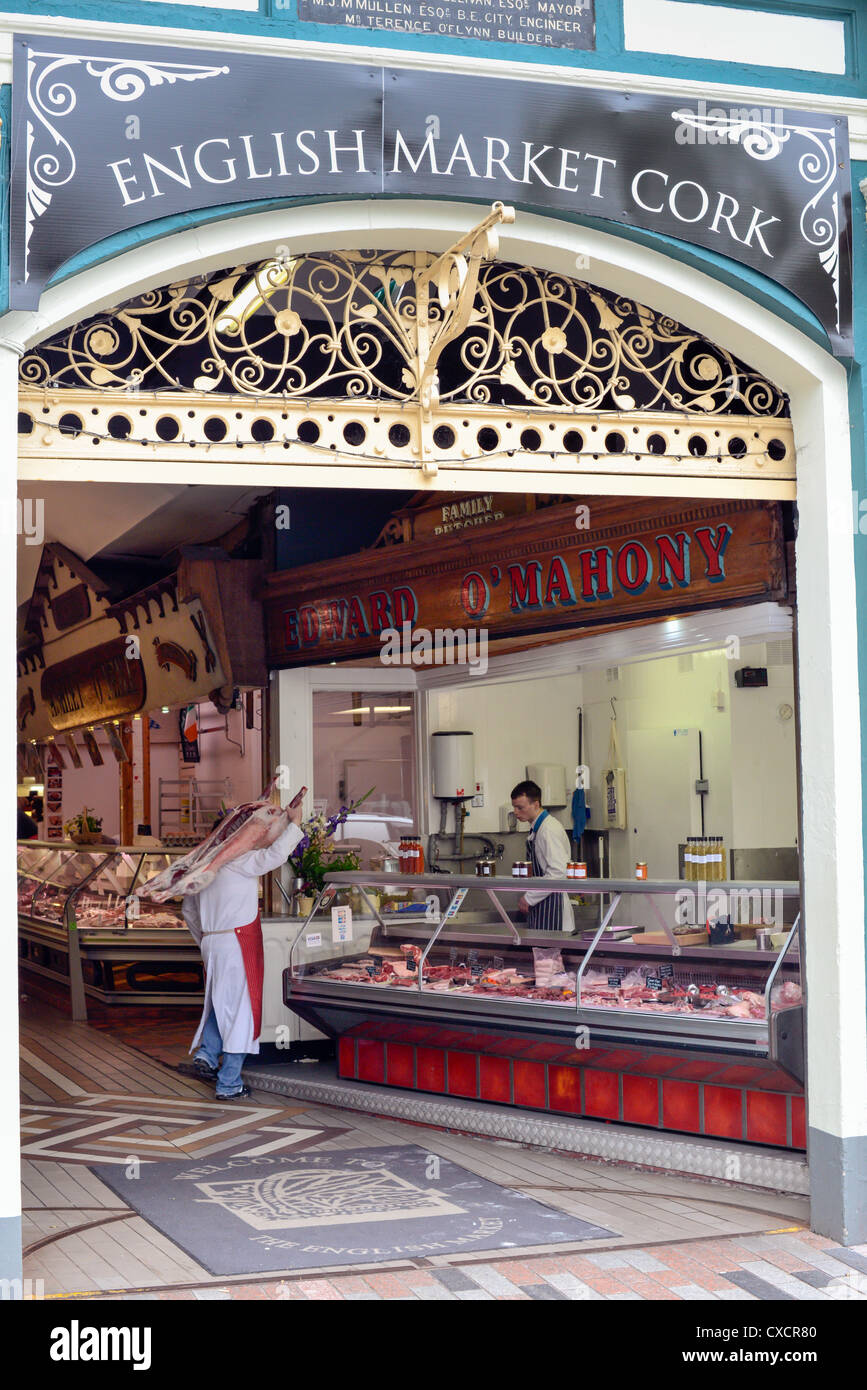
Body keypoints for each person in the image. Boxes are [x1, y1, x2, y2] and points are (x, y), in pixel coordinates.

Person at [182, 800, 304, 1099]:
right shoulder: (238, 860)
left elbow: (188, 910)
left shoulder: (201, 866)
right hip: (235, 942)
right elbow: (275, 855)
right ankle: (229, 1083)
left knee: (220, 1002)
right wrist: (294, 823)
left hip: (213, 941)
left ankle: (207, 1055)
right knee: (242, 1010)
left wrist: (206, 941)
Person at [511, 779, 574, 934]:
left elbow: (559, 872)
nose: (516, 812)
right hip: (544, 907)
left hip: (555, 911)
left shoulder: (548, 830)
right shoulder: (537, 830)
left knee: (550, 957)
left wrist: (529, 898)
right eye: (514, 807)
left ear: (536, 805)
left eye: (520, 807)